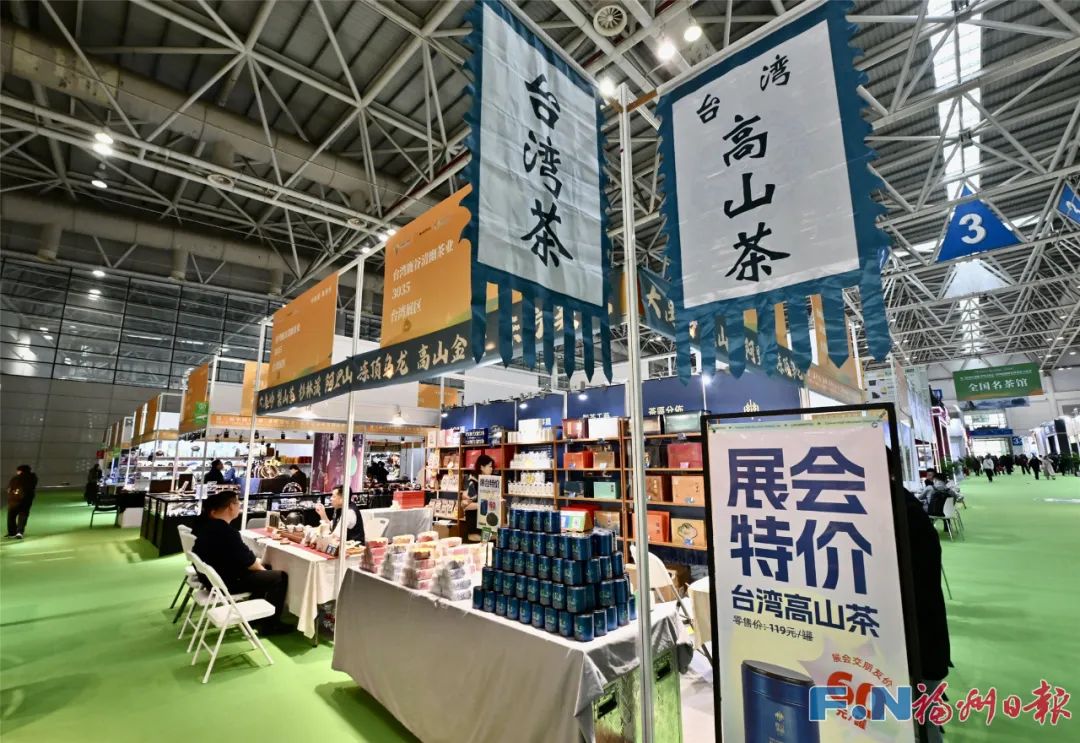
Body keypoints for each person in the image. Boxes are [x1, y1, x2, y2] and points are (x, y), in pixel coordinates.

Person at [192, 490, 288, 631]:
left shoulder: (205, 526)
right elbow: (250, 563)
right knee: (279, 577)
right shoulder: (226, 532)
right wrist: (263, 570)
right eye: (238, 503)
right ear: (231, 506)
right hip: (226, 582)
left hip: (211, 579)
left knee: (266, 568)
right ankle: (271, 624)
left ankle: (255, 617)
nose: (240, 506)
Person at [900, 484, 952, 743]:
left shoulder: (902, 514)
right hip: (916, 645)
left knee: (921, 725)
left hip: (916, 646)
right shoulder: (903, 508)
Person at [460, 455, 495, 541]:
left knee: (487, 544)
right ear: (482, 467)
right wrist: (482, 505)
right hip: (475, 528)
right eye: (490, 466)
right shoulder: (474, 483)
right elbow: (466, 506)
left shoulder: (488, 483)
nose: (492, 469)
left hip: (486, 525)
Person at [6, 465, 38, 539]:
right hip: (27, 500)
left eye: (18, 471)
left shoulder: (15, 478)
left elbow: (9, 488)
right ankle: (19, 532)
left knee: (11, 516)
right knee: (23, 516)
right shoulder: (33, 478)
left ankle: (12, 533)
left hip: (15, 500)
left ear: (20, 471)